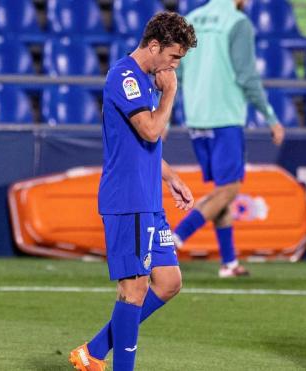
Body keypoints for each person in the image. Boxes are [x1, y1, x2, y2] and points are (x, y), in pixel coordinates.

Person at [68, 12, 197, 371]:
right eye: (173, 57)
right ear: (154, 47)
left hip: (148, 199)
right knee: (134, 288)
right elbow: (151, 130)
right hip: (128, 198)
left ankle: (93, 350)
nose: (174, 67)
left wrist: (171, 178)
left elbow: (142, 147)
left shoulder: (142, 80)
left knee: (168, 282)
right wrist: (169, 94)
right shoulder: (125, 77)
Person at [173, 0, 285, 278]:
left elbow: (179, 69)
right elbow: (247, 77)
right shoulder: (238, 22)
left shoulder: (193, 18)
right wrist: (271, 117)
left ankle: (229, 262)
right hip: (224, 117)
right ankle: (173, 240)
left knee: (222, 189)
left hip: (197, 118)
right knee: (230, 189)